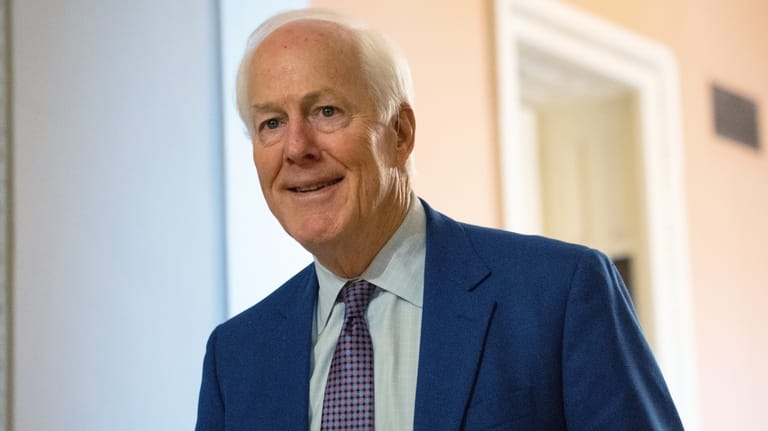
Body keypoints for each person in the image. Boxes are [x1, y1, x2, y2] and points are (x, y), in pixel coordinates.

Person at [195, 8, 684, 431]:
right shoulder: (235, 356)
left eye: (326, 111)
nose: (297, 148)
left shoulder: (560, 294)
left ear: (401, 132)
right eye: (271, 124)